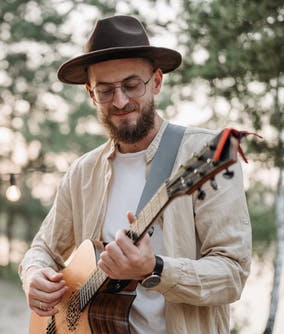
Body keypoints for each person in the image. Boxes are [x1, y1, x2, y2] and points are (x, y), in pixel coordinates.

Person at [19, 15, 251, 333]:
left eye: (131, 85)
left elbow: (232, 274)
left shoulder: (202, 155)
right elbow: (42, 250)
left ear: (156, 81)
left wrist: (154, 268)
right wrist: (34, 276)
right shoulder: (82, 172)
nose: (120, 101)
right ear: (90, 94)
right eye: (105, 90)